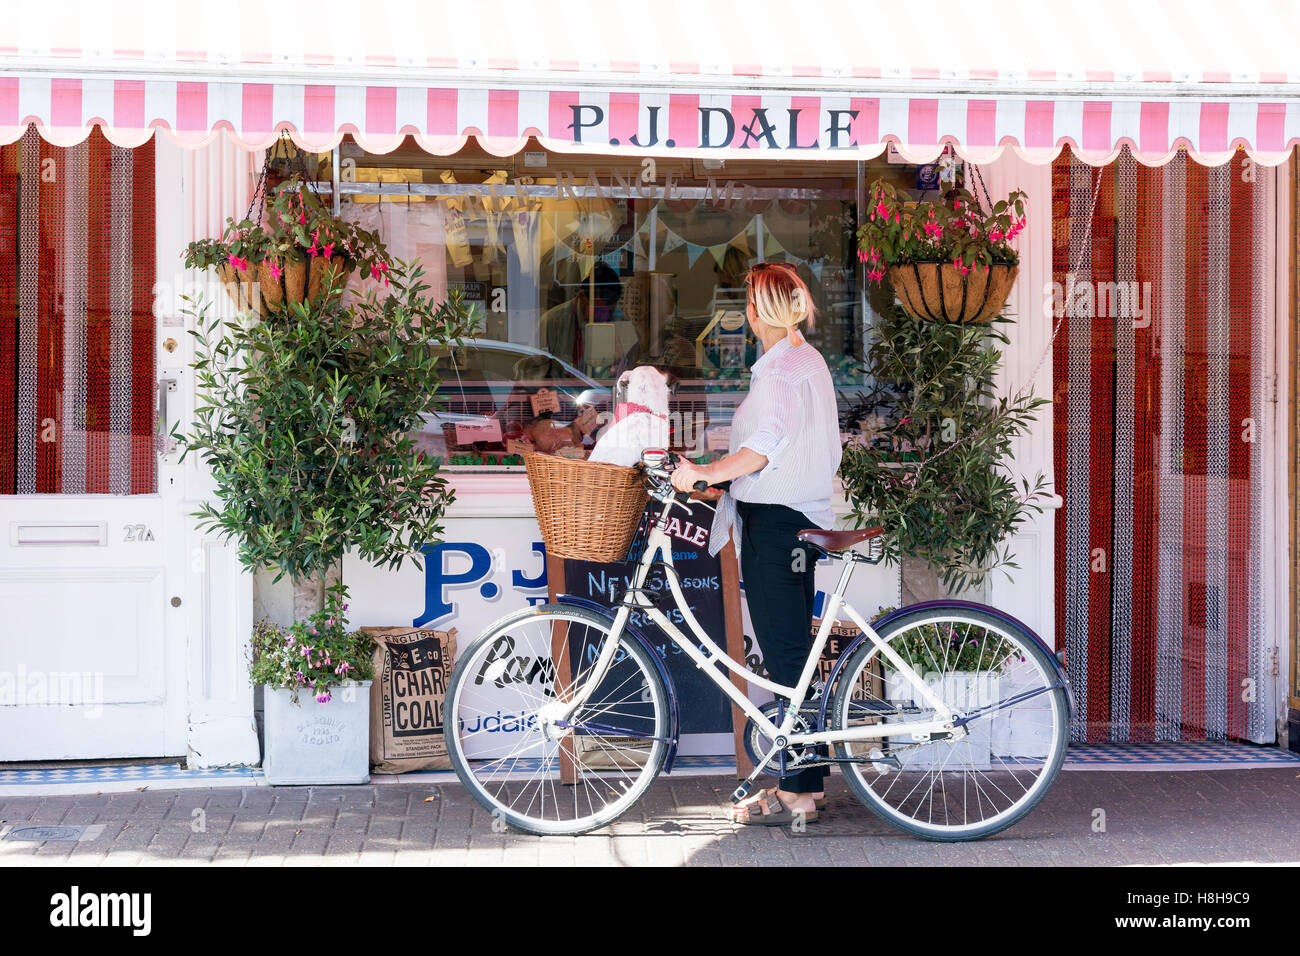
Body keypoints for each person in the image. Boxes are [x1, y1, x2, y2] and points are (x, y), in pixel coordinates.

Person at [671, 261, 842, 826]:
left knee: (786, 652)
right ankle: (805, 782)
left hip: (775, 522)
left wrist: (703, 474)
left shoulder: (779, 371)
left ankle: (798, 790)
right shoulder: (806, 360)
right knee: (794, 650)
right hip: (802, 519)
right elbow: (780, 437)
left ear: (752, 313)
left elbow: (764, 449)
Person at [539, 262, 624, 371]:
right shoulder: (553, 321)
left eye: (610, 312)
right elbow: (538, 364)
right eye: (600, 311)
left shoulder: (617, 319)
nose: (604, 318)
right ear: (582, 297)